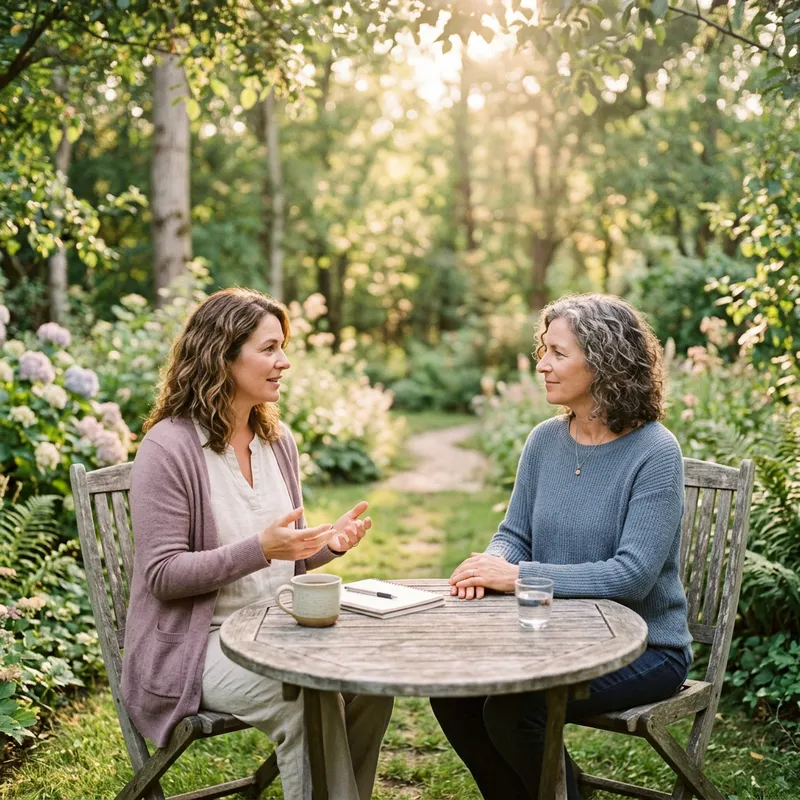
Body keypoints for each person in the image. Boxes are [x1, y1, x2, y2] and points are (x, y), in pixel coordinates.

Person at [120, 288, 393, 800]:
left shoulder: (276, 441)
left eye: (282, 348)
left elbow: (286, 557)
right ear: (222, 355)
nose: (284, 362)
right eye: (269, 349)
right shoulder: (168, 448)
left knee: (370, 684)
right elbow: (163, 575)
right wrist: (260, 548)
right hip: (196, 646)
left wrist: (327, 544)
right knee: (304, 696)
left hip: (277, 627)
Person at [430, 294, 692, 800]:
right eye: (542, 350)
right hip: (551, 640)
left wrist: (517, 577)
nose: (541, 365)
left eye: (557, 353)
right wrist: (490, 565)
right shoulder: (544, 441)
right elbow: (515, 533)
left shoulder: (656, 452)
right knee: (452, 691)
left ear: (603, 361)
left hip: (644, 648)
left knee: (513, 707)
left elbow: (632, 575)